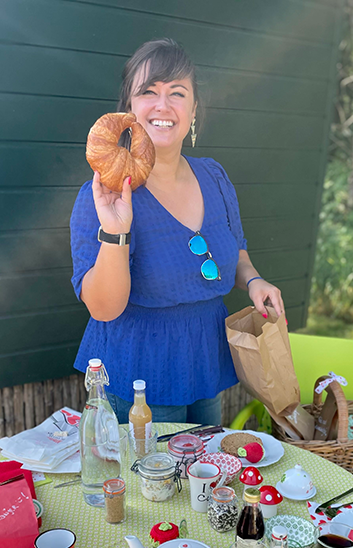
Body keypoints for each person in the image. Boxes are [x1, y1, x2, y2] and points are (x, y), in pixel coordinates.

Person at [70, 38, 284, 425]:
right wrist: (116, 232)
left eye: (177, 93)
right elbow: (103, 308)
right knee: (149, 485)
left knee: (200, 480)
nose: (163, 105)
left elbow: (235, 251)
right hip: (137, 374)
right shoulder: (103, 195)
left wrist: (253, 281)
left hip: (204, 359)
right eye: (148, 92)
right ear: (129, 110)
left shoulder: (214, 176)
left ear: (194, 109)